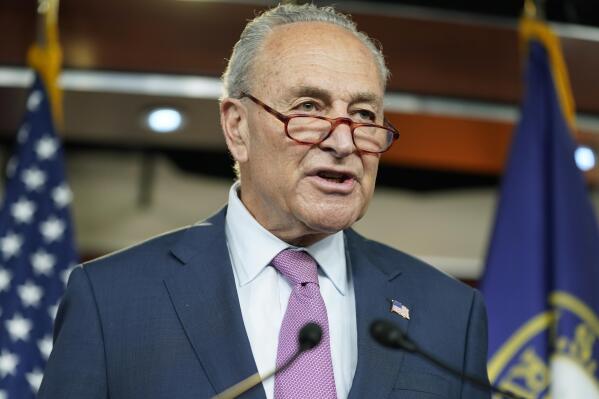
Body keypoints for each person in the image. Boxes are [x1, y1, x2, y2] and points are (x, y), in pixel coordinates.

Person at [38, 4, 489, 399]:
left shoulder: (449, 312)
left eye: (364, 115)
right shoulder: (112, 300)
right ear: (237, 127)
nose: (343, 142)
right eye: (309, 107)